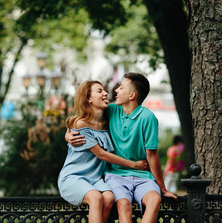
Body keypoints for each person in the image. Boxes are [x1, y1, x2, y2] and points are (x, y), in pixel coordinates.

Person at [66, 73, 178, 223]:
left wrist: (162, 189)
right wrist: (68, 134)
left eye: (121, 87)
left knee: (154, 200)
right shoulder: (111, 110)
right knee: (124, 204)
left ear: (132, 95)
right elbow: (85, 119)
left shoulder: (148, 118)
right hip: (116, 175)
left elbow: (152, 156)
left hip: (143, 176)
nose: (116, 91)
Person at [57, 80, 149, 223]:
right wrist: (134, 165)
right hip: (73, 177)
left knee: (109, 197)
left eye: (104, 90)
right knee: (95, 197)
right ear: (88, 98)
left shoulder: (108, 119)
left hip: (95, 179)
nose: (106, 93)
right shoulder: (81, 123)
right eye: (99, 91)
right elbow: (101, 154)